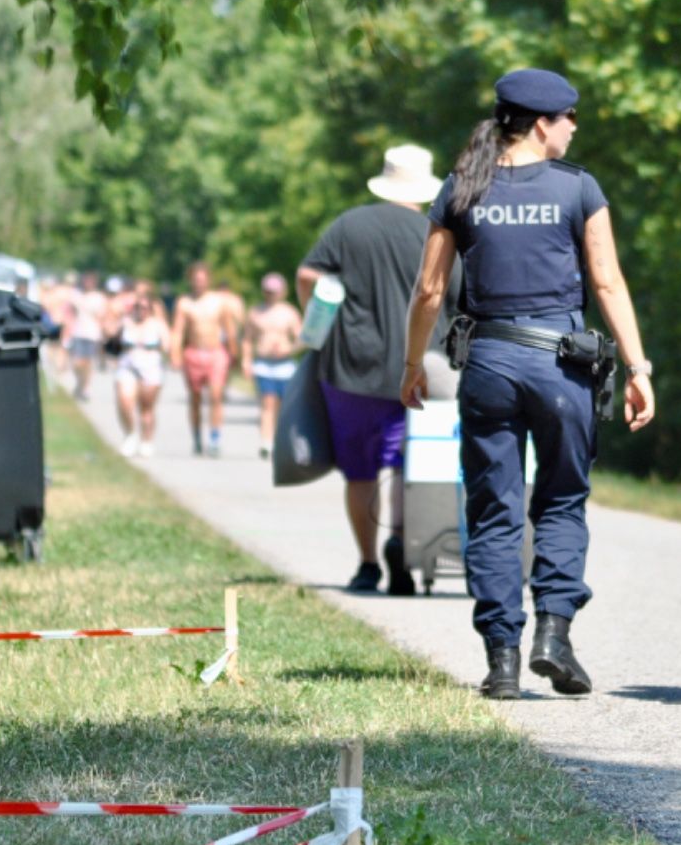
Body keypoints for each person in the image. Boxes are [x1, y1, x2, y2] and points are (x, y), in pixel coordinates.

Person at [401, 69, 655, 700]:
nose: (573, 127)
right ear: (542, 123)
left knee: (493, 511)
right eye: (569, 117)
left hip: (489, 365)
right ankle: (554, 632)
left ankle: (503, 660)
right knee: (562, 500)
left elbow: (430, 290)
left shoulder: (462, 187)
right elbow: (607, 283)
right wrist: (640, 367)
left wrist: (412, 365)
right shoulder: (578, 189)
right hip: (562, 366)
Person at [299, 144, 460, 596]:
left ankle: (368, 564)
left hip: (352, 365)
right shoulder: (439, 231)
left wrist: (316, 321)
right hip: (423, 367)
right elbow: (455, 297)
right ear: (426, 187)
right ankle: (401, 546)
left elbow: (308, 276)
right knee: (411, 464)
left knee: (361, 470)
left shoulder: (349, 225)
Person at [170, 262, 240, 457]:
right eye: (195, 280)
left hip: (216, 352)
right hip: (193, 352)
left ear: (208, 279)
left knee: (216, 395)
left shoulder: (219, 301)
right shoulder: (184, 303)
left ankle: (215, 438)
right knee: (195, 398)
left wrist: (234, 353)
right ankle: (196, 437)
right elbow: (177, 331)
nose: (199, 283)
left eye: (202, 279)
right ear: (191, 280)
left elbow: (230, 329)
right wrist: (175, 354)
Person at [242, 271, 302, 459]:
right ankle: (266, 442)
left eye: (274, 291)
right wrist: (246, 361)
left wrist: (289, 349)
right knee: (268, 403)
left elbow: (301, 338)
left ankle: (280, 440)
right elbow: (247, 339)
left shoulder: (289, 312)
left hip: (284, 365)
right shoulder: (255, 312)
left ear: (282, 292)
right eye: (268, 291)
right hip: (263, 364)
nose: (271, 294)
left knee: (284, 406)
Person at [111, 280, 170, 458]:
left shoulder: (157, 323)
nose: (141, 311)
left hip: (150, 367)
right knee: (125, 401)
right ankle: (130, 435)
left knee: (147, 408)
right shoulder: (125, 322)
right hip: (127, 365)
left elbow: (167, 344)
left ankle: (147, 440)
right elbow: (109, 333)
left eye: (145, 308)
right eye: (138, 307)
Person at [67, 271, 107, 401]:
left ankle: (85, 388)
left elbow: (102, 317)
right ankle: (80, 383)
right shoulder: (76, 295)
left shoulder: (99, 297)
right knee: (77, 362)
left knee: (88, 363)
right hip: (78, 332)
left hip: (92, 333)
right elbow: (70, 314)